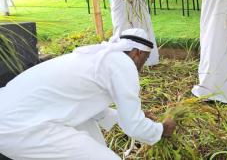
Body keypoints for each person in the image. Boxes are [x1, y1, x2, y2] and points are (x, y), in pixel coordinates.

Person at [0, 28, 176, 160]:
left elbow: (84, 104)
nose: (144, 64)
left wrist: (130, 116)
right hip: (21, 127)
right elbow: (133, 126)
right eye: (146, 58)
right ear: (137, 53)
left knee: (95, 142)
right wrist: (161, 130)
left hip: (11, 115)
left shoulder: (99, 58)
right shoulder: (123, 64)